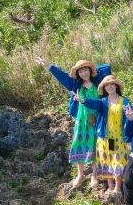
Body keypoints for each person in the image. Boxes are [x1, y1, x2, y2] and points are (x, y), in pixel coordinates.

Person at [36, 56, 110, 190]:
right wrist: (48, 65)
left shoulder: (98, 84)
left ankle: (94, 174)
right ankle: (80, 174)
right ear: (78, 74)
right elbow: (62, 76)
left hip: (96, 120)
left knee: (95, 145)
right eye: (80, 71)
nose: (83, 73)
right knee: (78, 143)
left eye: (86, 70)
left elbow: (107, 71)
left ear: (90, 71)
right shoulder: (76, 85)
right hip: (81, 120)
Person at [78, 75, 131, 196]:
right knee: (107, 159)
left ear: (116, 86)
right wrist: (83, 100)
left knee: (118, 160)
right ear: (104, 88)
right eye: (107, 85)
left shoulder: (125, 101)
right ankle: (110, 185)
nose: (110, 86)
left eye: (112, 84)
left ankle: (118, 187)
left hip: (119, 138)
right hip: (106, 138)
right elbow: (92, 104)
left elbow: (130, 118)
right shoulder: (103, 102)